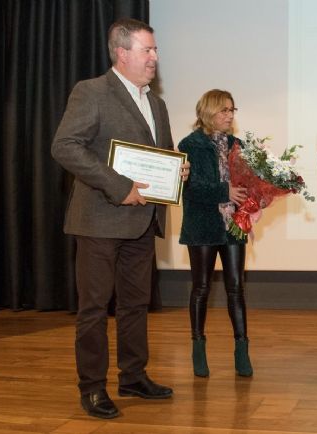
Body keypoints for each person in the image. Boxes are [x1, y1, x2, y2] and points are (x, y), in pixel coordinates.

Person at [52, 18, 190, 419]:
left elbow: (162, 152)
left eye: (155, 50)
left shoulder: (156, 103)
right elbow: (65, 146)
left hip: (143, 221)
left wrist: (177, 169)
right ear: (122, 52)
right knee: (94, 308)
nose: (155, 58)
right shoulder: (91, 91)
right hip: (99, 219)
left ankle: (133, 376)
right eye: (147, 50)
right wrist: (119, 186)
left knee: (135, 304)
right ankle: (92, 388)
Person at [178, 89, 253, 378]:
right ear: (209, 112)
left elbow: (247, 183)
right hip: (202, 226)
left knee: (236, 288)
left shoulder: (238, 144)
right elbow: (190, 187)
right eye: (224, 110)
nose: (230, 115)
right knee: (201, 288)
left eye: (233, 110)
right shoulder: (190, 144)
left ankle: (242, 350)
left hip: (233, 226)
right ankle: (198, 347)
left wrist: (254, 195)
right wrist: (226, 192)